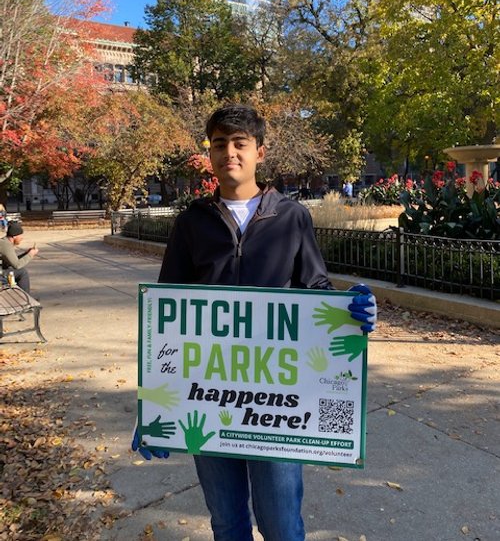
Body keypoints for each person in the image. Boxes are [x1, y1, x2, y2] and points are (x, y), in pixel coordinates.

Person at [132, 104, 376, 541]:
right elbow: (169, 312)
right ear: (210, 153)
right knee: (228, 524)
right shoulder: (191, 222)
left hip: (276, 404)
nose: (230, 153)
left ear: (259, 152)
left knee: (282, 526)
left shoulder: (293, 216)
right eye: (220, 144)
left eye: (240, 144)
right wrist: (155, 407)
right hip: (205, 398)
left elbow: (314, 288)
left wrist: (350, 311)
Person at [0, 222, 39, 293]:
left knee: (18, 271)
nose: (22, 238)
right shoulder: (6, 245)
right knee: (22, 272)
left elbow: (12, 261)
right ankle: (26, 299)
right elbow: (17, 265)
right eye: (20, 236)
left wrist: (26, 253)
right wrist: (30, 255)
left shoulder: (4, 242)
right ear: (14, 236)